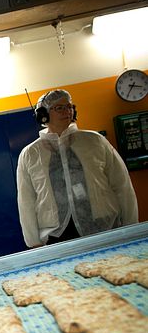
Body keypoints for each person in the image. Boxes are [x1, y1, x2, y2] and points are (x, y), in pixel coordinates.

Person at [16, 89, 138, 247]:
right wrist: (33, 242)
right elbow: (26, 200)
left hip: (104, 224)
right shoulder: (30, 154)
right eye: (59, 108)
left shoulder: (95, 141)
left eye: (69, 106)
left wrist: (131, 227)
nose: (67, 111)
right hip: (57, 234)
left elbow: (122, 185)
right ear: (43, 114)